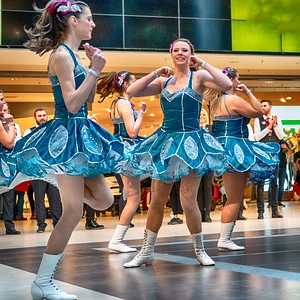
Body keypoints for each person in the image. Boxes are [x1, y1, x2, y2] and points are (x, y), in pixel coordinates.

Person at [11, 1, 125, 299]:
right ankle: (43, 282)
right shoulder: (61, 56)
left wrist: (91, 69)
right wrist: (94, 71)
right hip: (67, 136)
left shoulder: (72, 55)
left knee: (104, 199)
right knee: (73, 211)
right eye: (89, 19)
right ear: (73, 21)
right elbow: (72, 104)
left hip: (80, 133)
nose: (93, 24)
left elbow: (82, 101)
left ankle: (53, 176)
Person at [123, 37, 233, 268]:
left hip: (192, 143)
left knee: (188, 200)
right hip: (166, 143)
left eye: (185, 50)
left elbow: (226, 85)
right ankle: (146, 251)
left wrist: (201, 62)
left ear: (191, 54)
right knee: (156, 201)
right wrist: (155, 73)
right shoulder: (164, 81)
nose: (180, 53)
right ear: (171, 54)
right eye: (176, 50)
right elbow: (131, 91)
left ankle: (200, 250)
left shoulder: (199, 76)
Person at [208, 67, 280, 251]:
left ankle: (225, 238)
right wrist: (247, 91)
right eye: (237, 79)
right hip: (234, 148)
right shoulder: (232, 100)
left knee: (232, 196)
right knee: (234, 198)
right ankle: (224, 239)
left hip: (221, 147)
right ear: (232, 80)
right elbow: (258, 111)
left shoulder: (215, 102)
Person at [97, 70, 147, 253]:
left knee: (132, 196)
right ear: (126, 85)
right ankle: (116, 240)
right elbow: (132, 132)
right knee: (133, 197)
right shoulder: (124, 104)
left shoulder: (117, 103)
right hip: (127, 151)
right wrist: (141, 113)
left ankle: (118, 240)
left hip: (121, 150)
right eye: (134, 82)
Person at [23, 108, 63, 233]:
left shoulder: (53, 131)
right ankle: (41, 224)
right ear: (35, 118)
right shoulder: (29, 131)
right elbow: (26, 150)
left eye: (44, 115)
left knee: (55, 198)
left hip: (52, 170)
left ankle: (58, 224)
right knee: (39, 198)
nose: (42, 117)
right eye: (39, 115)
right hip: (38, 170)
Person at [254, 99, 285, 219]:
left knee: (274, 182)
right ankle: (260, 211)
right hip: (262, 153)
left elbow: (281, 136)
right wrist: (268, 127)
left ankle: (275, 210)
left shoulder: (277, 119)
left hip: (274, 153)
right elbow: (257, 137)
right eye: (261, 106)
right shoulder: (258, 120)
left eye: (265, 106)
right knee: (260, 182)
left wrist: (275, 125)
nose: (263, 108)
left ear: (270, 107)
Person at [0, 98, 20, 234]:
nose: (2, 103)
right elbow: (9, 143)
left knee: (8, 197)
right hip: (2, 163)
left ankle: (9, 225)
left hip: (7, 163)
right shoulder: (9, 123)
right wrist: (10, 123)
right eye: (0, 99)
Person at [197, 108, 213, 222]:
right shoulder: (194, 128)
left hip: (208, 160)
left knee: (207, 186)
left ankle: (207, 213)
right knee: (199, 187)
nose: (202, 116)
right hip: (197, 160)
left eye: (204, 114)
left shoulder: (211, 128)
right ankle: (200, 212)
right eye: (200, 114)